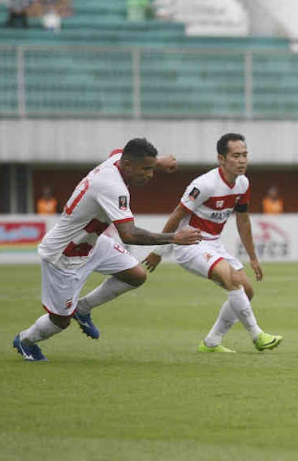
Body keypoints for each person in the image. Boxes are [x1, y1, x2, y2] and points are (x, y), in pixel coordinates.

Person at [13, 138, 204, 361]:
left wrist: (159, 162)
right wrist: (174, 237)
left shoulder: (118, 160)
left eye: (151, 169)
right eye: (146, 169)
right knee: (60, 321)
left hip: (91, 242)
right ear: (128, 166)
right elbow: (129, 234)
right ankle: (25, 340)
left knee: (136, 275)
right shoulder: (113, 187)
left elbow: (121, 151)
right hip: (65, 254)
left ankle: (82, 309)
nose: (150, 175)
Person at [143, 133, 282, 353]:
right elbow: (177, 215)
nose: (242, 160)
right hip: (190, 244)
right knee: (230, 278)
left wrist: (253, 257)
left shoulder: (243, 183)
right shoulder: (204, 185)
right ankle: (257, 335)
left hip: (214, 244)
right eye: (236, 156)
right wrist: (159, 250)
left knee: (246, 291)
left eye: (245, 155)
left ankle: (211, 343)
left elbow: (243, 220)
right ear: (221, 159)